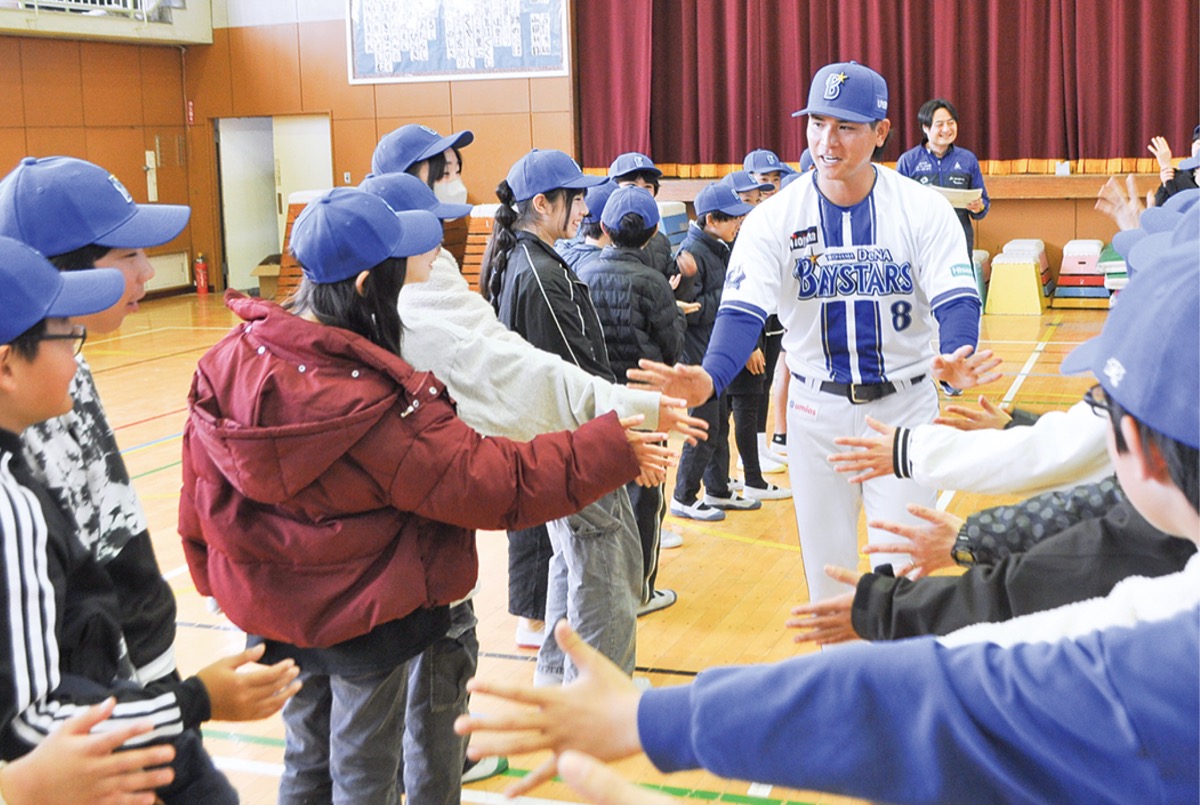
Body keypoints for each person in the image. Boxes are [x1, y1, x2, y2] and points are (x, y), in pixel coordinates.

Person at [454, 212, 1200, 803]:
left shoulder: (1159, 660)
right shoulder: (1160, 624)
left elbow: (940, 695)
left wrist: (651, 721)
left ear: (1140, 448)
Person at [178, 188, 668, 803]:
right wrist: (608, 446)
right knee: (365, 771)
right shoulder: (372, 403)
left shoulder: (228, 360)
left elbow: (201, 495)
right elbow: (493, 484)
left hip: (274, 614)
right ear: (367, 286)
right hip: (366, 621)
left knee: (305, 762)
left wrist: (221, 584)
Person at [632, 62, 998, 602]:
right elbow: (742, 312)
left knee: (906, 575)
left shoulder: (923, 209)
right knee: (829, 580)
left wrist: (958, 352)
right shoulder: (773, 218)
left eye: (846, 126)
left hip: (904, 408)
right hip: (815, 411)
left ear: (881, 132)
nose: (827, 141)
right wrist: (710, 377)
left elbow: (956, 296)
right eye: (817, 123)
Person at [0, 237, 293, 804]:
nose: (77, 359)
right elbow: (30, 720)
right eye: (67, 337)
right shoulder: (10, 505)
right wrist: (197, 700)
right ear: (8, 365)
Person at [480, 148, 647, 687]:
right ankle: (599, 696)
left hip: (557, 440)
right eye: (574, 199)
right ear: (541, 204)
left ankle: (557, 681)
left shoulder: (527, 260)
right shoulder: (539, 273)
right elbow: (576, 371)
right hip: (576, 443)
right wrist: (623, 434)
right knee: (607, 571)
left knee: (571, 561)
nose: (584, 209)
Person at [577, 185, 686, 616]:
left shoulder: (583, 273)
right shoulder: (653, 281)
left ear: (604, 227)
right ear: (654, 233)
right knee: (646, 496)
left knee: (603, 495)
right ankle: (640, 591)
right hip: (643, 403)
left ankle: (607, 591)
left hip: (597, 400)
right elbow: (672, 347)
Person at [668, 183, 762, 521]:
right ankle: (683, 496)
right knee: (703, 427)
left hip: (713, 350)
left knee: (719, 423)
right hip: (696, 356)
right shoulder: (691, 253)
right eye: (733, 218)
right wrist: (728, 296)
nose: (739, 223)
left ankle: (717, 489)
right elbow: (688, 310)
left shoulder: (719, 247)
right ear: (711, 220)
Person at [895, 98, 990, 257]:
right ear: (925, 128)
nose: (946, 129)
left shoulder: (967, 159)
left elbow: (983, 204)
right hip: (921, 242)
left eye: (951, 123)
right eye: (939, 124)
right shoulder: (909, 161)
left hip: (958, 241)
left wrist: (979, 207)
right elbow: (897, 206)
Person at [1148, 124, 1200, 207]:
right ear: (1192, 147)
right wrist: (1167, 182)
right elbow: (1160, 206)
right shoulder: (1177, 177)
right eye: (1198, 144)